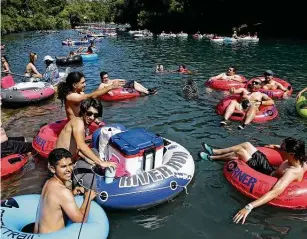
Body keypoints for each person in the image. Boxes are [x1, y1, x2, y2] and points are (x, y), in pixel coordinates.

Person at [199, 137, 307, 225]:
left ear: (291, 154)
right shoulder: (300, 159)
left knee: (240, 152)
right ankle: (215, 151)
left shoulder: (292, 172)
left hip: (264, 174)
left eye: (282, 148)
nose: (280, 149)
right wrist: (275, 146)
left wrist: (249, 206)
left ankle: (212, 157)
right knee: (246, 144)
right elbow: (286, 151)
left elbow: (275, 191)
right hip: (268, 169)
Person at [34, 148, 97, 234]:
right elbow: (81, 221)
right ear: (53, 169)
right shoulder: (63, 191)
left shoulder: (49, 182)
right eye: (63, 166)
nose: (69, 169)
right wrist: (88, 198)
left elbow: (57, 201)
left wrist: (72, 193)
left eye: (70, 164)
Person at [55, 99, 117, 169]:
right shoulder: (78, 122)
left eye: (95, 115)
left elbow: (74, 147)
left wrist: (87, 158)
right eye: (89, 113)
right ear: (83, 111)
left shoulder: (83, 125)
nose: (92, 117)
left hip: (67, 162)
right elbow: (80, 146)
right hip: (60, 166)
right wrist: (101, 162)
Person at [57, 71, 125, 120]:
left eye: (85, 82)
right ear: (74, 85)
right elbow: (92, 96)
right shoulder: (71, 97)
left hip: (82, 123)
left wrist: (95, 120)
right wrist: (111, 87)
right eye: (82, 83)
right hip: (75, 126)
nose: (85, 85)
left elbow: (89, 102)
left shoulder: (81, 93)